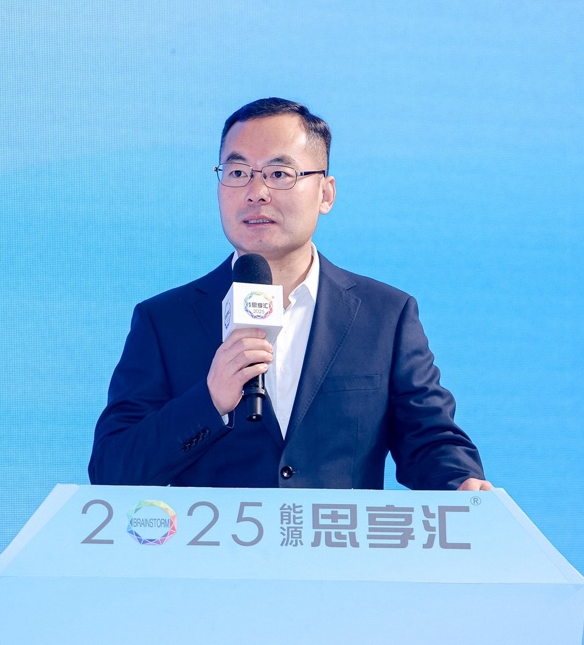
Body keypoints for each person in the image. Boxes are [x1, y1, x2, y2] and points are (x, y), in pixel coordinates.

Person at [89, 97, 491, 491]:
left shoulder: (385, 316)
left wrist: (460, 483)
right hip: (215, 538)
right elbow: (112, 469)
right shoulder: (165, 320)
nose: (256, 192)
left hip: (336, 537)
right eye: (238, 172)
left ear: (325, 194)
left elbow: (430, 439)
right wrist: (209, 401)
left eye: (279, 174)